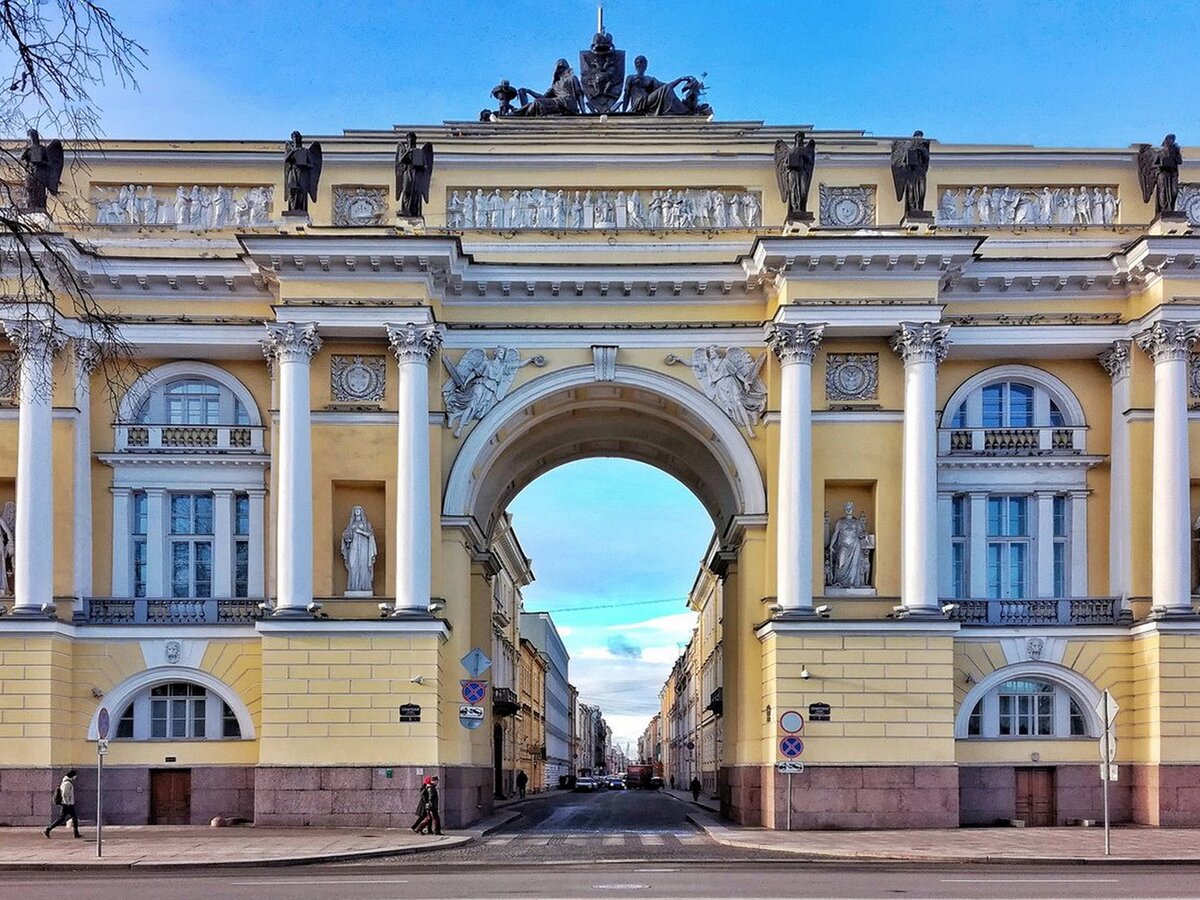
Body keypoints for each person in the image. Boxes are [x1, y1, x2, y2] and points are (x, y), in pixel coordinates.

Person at [44, 770, 81, 838]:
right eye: (75, 775)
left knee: (74, 818)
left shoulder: (67, 782)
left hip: (69, 804)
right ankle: (48, 829)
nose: (76, 777)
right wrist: (67, 803)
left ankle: (76, 833)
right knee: (62, 819)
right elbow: (64, 794)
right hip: (67, 805)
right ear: (72, 776)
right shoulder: (67, 783)